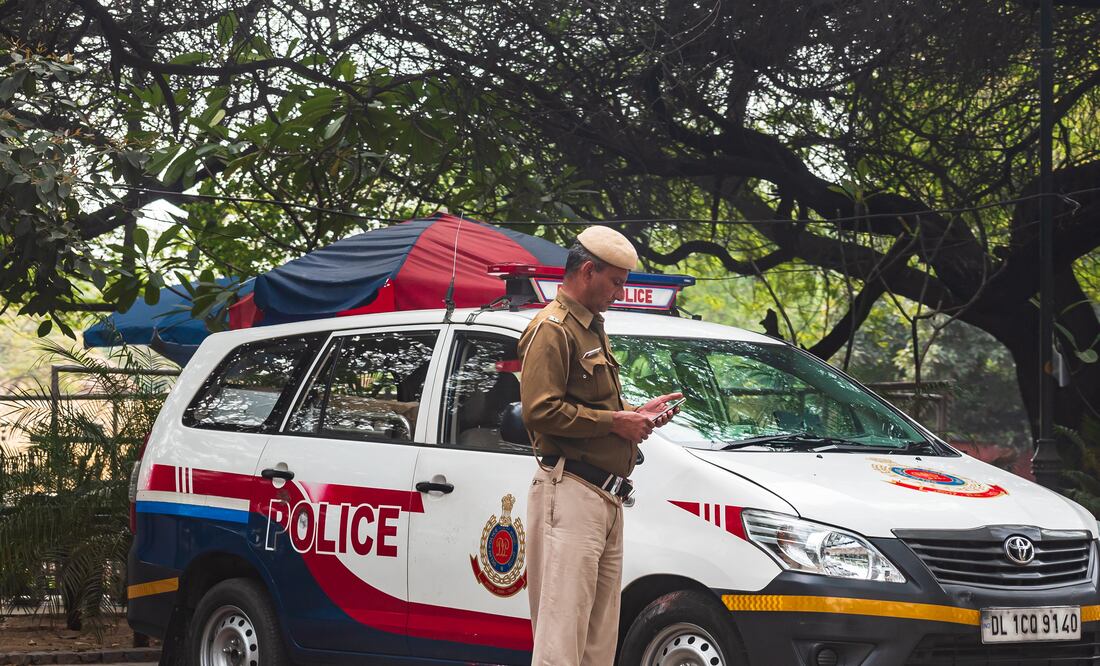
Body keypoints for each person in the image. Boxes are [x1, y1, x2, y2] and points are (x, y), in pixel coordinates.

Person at [519, 226, 683, 666]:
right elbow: (540, 410)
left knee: (597, 643)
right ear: (588, 271)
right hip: (569, 490)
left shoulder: (591, 328)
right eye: (615, 282)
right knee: (561, 639)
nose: (619, 292)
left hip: (604, 496)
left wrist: (636, 413)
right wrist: (617, 422)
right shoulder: (552, 329)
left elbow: (591, 405)